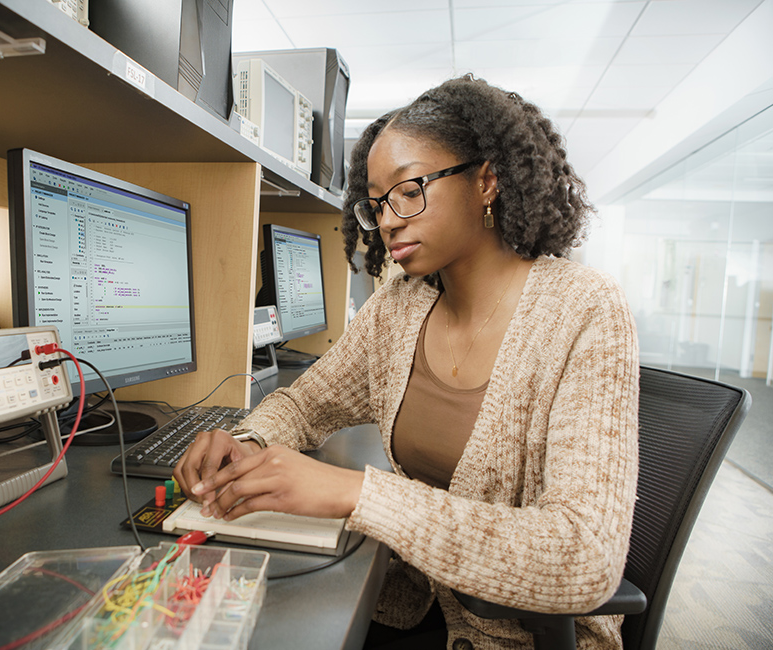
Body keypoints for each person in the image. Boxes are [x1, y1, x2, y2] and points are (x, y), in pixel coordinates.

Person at [173, 74, 639, 649]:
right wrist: (249, 441)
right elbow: (304, 403)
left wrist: (357, 494)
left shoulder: (584, 310)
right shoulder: (398, 307)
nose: (389, 219)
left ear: (486, 181)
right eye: (375, 204)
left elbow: (584, 557)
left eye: (409, 190)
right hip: (412, 610)